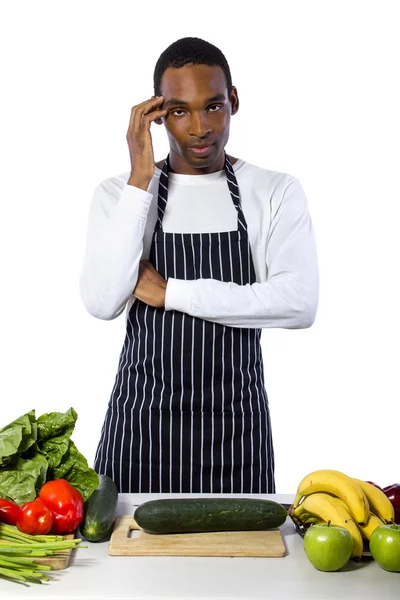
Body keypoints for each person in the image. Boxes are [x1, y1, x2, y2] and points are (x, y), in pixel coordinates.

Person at [79, 36, 319, 494]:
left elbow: (299, 302)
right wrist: (140, 178)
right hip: (139, 431)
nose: (200, 127)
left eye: (212, 107)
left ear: (233, 101)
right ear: (156, 115)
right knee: (129, 565)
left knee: (240, 564)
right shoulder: (120, 195)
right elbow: (102, 301)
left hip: (236, 435)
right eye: (179, 111)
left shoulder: (274, 191)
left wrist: (170, 292)